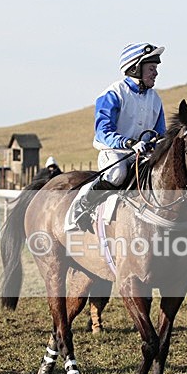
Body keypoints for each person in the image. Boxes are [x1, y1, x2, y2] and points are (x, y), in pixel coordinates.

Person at [66, 42, 166, 233]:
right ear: (136, 68)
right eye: (152, 68)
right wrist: (128, 143)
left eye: (156, 68)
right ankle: (83, 206)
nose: (156, 73)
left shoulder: (155, 98)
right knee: (117, 174)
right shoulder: (113, 93)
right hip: (114, 152)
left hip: (142, 154)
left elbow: (160, 132)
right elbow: (103, 131)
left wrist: (157, 144)